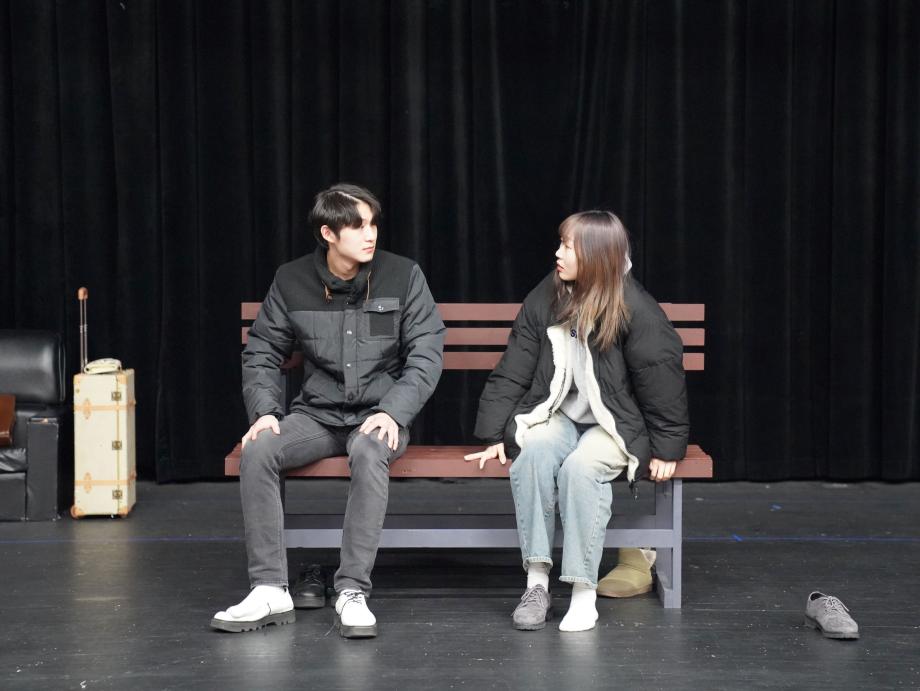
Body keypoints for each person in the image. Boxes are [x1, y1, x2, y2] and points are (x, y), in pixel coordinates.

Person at [211, 183, 445, 637]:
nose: (370, 234)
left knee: (369, 450)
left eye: (372, 223)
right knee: (259, 448)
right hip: (317, 416)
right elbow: (261, 352)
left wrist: (394, 412)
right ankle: (269, 589)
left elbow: (426, 353)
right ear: (328, 233)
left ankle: (352, 591)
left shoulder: (403, 275)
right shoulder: (292, 280)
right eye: (356, 226)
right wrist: (265, 411)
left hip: (378, 415)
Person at [465, 210, 688, 632]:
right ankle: (536, 583)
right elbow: (515, 365)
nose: (558, 253)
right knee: (532, 452)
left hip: (615, 425)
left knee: (580, 470)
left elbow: (661, 378)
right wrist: (494, 432)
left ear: (596, 255)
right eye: (561, 243)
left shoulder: (635, 307)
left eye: (568, 246)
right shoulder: (547, 294)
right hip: (559, 414)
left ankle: (584, 593)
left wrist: (667, 448)